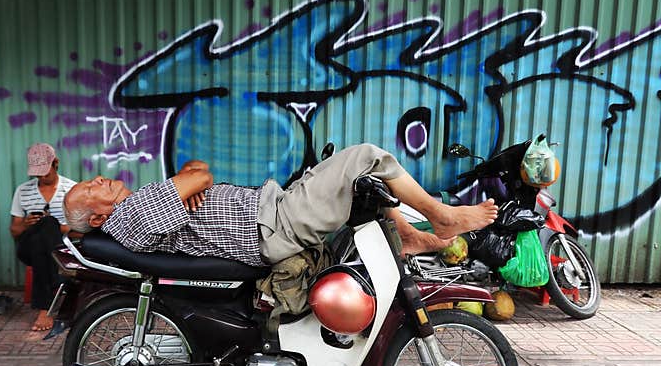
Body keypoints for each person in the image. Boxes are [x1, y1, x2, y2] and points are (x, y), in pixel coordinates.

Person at [63, 143, 498, 265]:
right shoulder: (134, 213)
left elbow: (197, 166)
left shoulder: (139, 203)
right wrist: (194, 181)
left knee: (358, 180)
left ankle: (410, 237)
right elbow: (200, 173)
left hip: (274, 213)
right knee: (365, 156)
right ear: (98, 215)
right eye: (89, 187)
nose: (98, 178)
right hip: (273, 225)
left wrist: (194, 180)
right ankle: (441, 217)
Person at [9, 142, 77, 332]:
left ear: (56, 163)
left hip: (58, 248)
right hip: (27, 249)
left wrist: (59, 227)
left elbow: (81, 230)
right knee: (44, 228)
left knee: (49, 227)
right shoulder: (23, 191)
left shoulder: (71, 189)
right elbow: (14, 231)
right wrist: (26, 224)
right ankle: (58, 282)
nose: (41, 177)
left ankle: (44, 308)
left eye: (45, 172)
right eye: (38, 174)